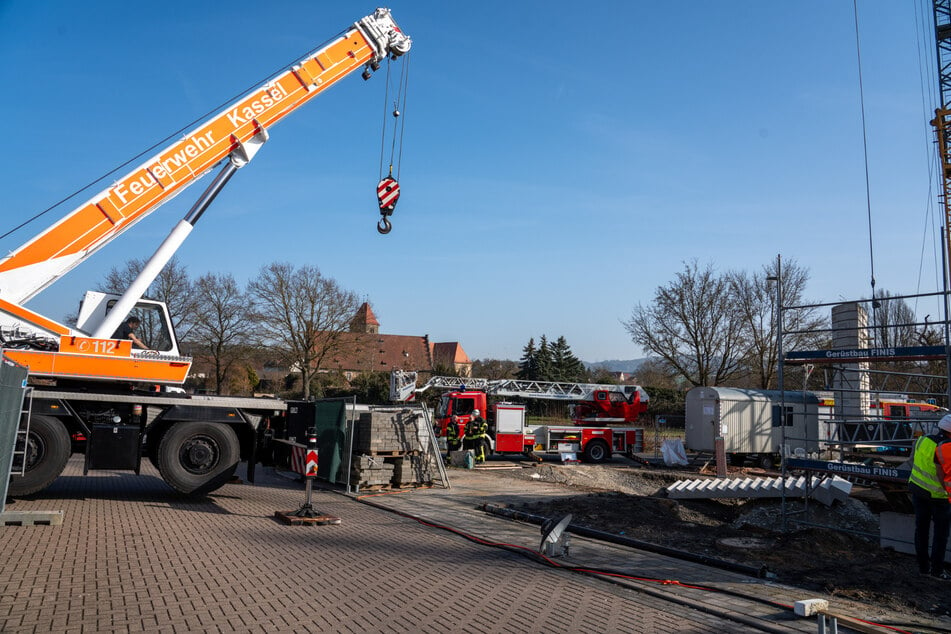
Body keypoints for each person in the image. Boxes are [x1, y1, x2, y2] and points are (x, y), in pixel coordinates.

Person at [908, 414, 951, 579]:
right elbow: (944, 476)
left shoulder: (923, 440)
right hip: (938, 497)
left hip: (918, 491)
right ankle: (937, 571)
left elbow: (912, 461)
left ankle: (923, 568)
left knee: (922, 530)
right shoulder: (945, 448)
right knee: (941, 535)